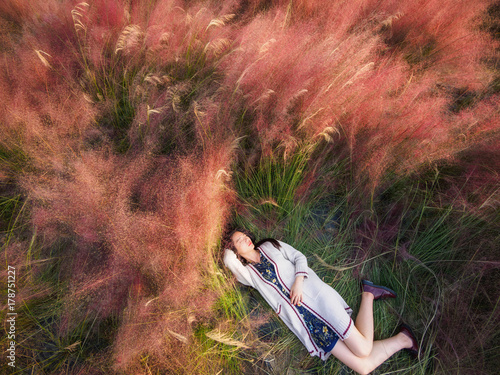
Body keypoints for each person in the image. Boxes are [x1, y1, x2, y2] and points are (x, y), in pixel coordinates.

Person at [223, 229, 419, 375]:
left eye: (245, 235)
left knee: (364, 350)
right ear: (236, 251)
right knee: (363, 367)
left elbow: (299, 257)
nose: (246, 239)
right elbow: (228, 260)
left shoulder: (270, 246)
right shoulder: (249, 275)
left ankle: (369, 297)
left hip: (321, 302)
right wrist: (226, 246)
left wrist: (298, 281)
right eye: (239, 240)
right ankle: (403, 338)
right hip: (310, 326)